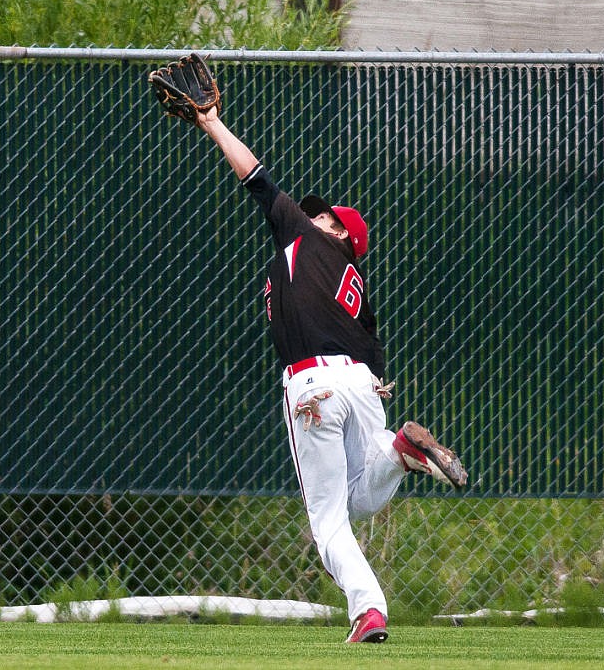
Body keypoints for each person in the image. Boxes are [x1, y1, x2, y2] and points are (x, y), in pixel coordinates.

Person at [193, 102, 468, 642]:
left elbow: (254, 177)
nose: (314, 215)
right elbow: (372, 355)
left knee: (328, 522)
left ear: (342, 235)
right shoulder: (355, 286)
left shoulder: (304, 237)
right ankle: (400, 450)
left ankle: (368, 609)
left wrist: (210, 123)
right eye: (316, 214)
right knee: (361, 497)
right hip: (363, 384)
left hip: (313, 383)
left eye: (327, 217)